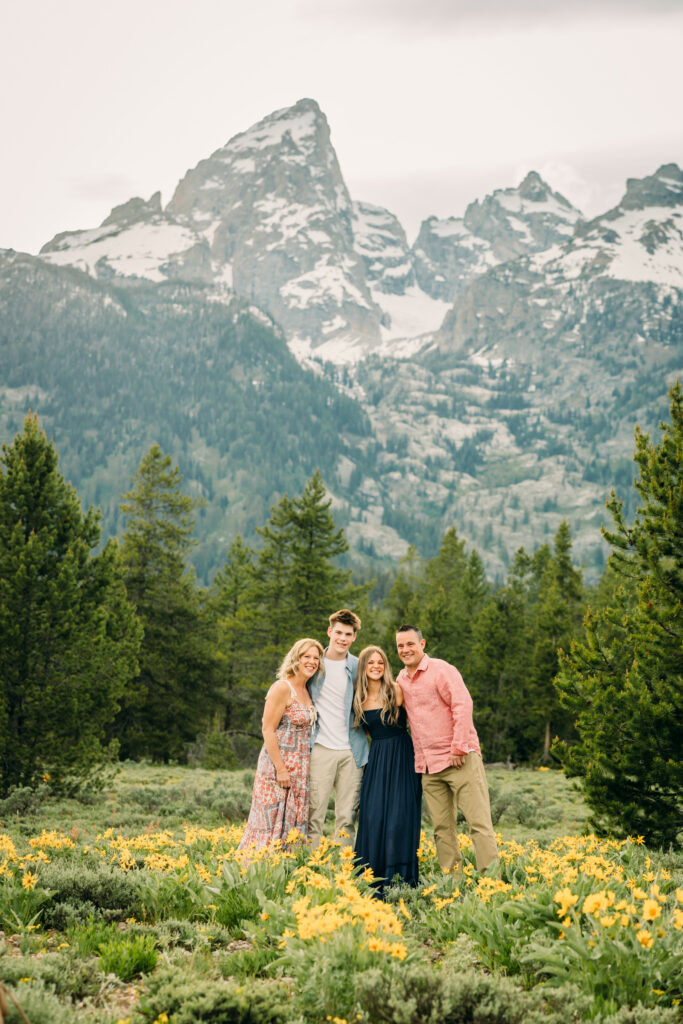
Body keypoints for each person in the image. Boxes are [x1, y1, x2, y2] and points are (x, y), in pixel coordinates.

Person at [395, 625, 498, 876]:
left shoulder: (441, 670)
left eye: (410, 644)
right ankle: (453, 883)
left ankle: (492, 882)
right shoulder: (400, 680)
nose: (405, 649)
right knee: (442, 828)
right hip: (428, 766)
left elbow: (462, 705)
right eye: (400, 646)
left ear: (422, 644)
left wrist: (460, 747)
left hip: (459, 759)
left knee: (479, 824)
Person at [238, 638, 321, 852]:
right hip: (278, 767)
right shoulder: (282, 687)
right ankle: (254, 873)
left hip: (300, 770)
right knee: (269, 822)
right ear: (296, 658)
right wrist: (281, 768)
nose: (311, 661)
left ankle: (284, 874)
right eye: (307, 657)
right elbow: (267, 729)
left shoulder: (307, 689)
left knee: (292, 822)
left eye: (316, 658)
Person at [353, 645, 422, 897]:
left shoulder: (396, 690)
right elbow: (368, 733)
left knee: (399, 819)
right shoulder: (358, 699)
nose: (376, 666)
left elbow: (416, 720)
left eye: (380, 662)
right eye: (370, 663)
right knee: (374, 817)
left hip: (403, 756)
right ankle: (371, 881)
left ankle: (401, 882)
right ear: (363, 667)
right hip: (378, 760)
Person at [307, 608, 368, 846]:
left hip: (352, 750)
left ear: (354, 637)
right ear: (329, 631)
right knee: (314, 813)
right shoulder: (313, 663)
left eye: (348, 634)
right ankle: (308, 869)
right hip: (320, 747)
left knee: (347, 817)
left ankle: (343, 871)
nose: (342, 638)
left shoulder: (358, 666)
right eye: (339, 632)